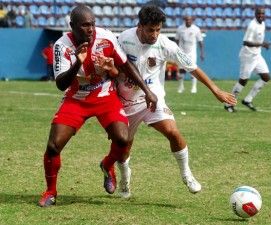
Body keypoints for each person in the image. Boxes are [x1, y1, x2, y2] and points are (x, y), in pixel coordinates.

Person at [38, 5, 157, 207]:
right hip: (76, 99)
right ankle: (50, 192)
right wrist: (77, 62)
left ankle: (107, 165)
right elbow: (61, 84)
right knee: (53, 146)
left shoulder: (106, 37)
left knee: (123, 139)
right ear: (72, 26)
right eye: (85, 25)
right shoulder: (62, 45)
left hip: (105, 96)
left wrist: (147, 90)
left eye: (92, 24)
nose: (91, 29)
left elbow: (125, 64)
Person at [115, 5, 237, 198]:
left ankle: (186, 173)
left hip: (153, 99)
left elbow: (192, 67)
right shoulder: (123, 39)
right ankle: (125, 179)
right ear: (140, 26)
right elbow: (113, 66)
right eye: (150, 29)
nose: (155, 34)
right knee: (124, 146)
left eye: (158, 29)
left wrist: (215, 90)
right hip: (127, 101)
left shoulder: (166, 45)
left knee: (173, 131)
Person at [224, 7, 271, 112]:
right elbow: (246, 42)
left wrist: (262, 45)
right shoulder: (252, 25)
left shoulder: (262, 24)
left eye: (262, 14)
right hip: (248, 56)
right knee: (243, 81)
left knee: (266, 77)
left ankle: (248, 100)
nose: (260, 16)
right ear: (255, 14)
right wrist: (262, 44)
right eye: (258, 14)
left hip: (257, 55)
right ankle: (228, 104)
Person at [175, 16, 205, 94]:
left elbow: (200, 41)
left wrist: (202, 53)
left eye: (190, 20)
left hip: (192, 53)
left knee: (193, 69)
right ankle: (181, 86)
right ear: (185, 20)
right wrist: (176, 51)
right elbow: (177, 40)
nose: (188, 21)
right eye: (187, 20)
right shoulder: (180, 28)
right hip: (182, 52)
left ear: (192, 21)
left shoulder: (196, 29)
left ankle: (194, 87)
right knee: (181, 70)